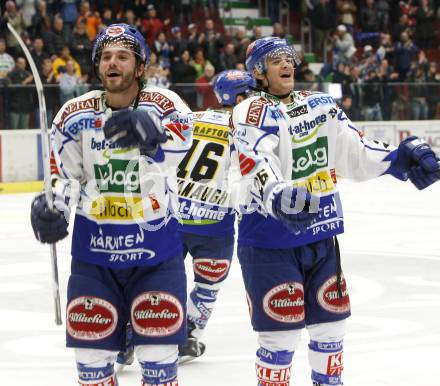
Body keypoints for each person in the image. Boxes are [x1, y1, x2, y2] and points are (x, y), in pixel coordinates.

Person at [231, 37, 440, 386]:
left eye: (288, 58)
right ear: (258, 72)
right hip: (269, 239)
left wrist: (399, 157)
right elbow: (256, 158)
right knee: (279, 336)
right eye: (275, 60)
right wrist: (277, 191)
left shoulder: (321, 106)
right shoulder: (251, 111)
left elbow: (355, 151)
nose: (286, 64)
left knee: (331, 329)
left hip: (321, 234)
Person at [30, 23, 193, 386]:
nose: (112, 62)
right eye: (105, 57)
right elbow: (65, 174)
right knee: (90, 363)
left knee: (159, 360)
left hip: (156, 253)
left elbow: (176, 156)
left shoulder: (167, 105)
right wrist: (50, 203)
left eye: (122, 55)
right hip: (94, 255)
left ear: (140, 67)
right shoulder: (74, 114)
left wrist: (153, 139)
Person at [177, 69, 255, 362]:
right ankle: (187, 337)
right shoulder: (246, 130)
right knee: (206, 287)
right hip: (215, 225)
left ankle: (133, 335)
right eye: (252, 92)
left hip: (174, 217)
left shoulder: (192, 119)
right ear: (240, 97)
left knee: (157, 280)